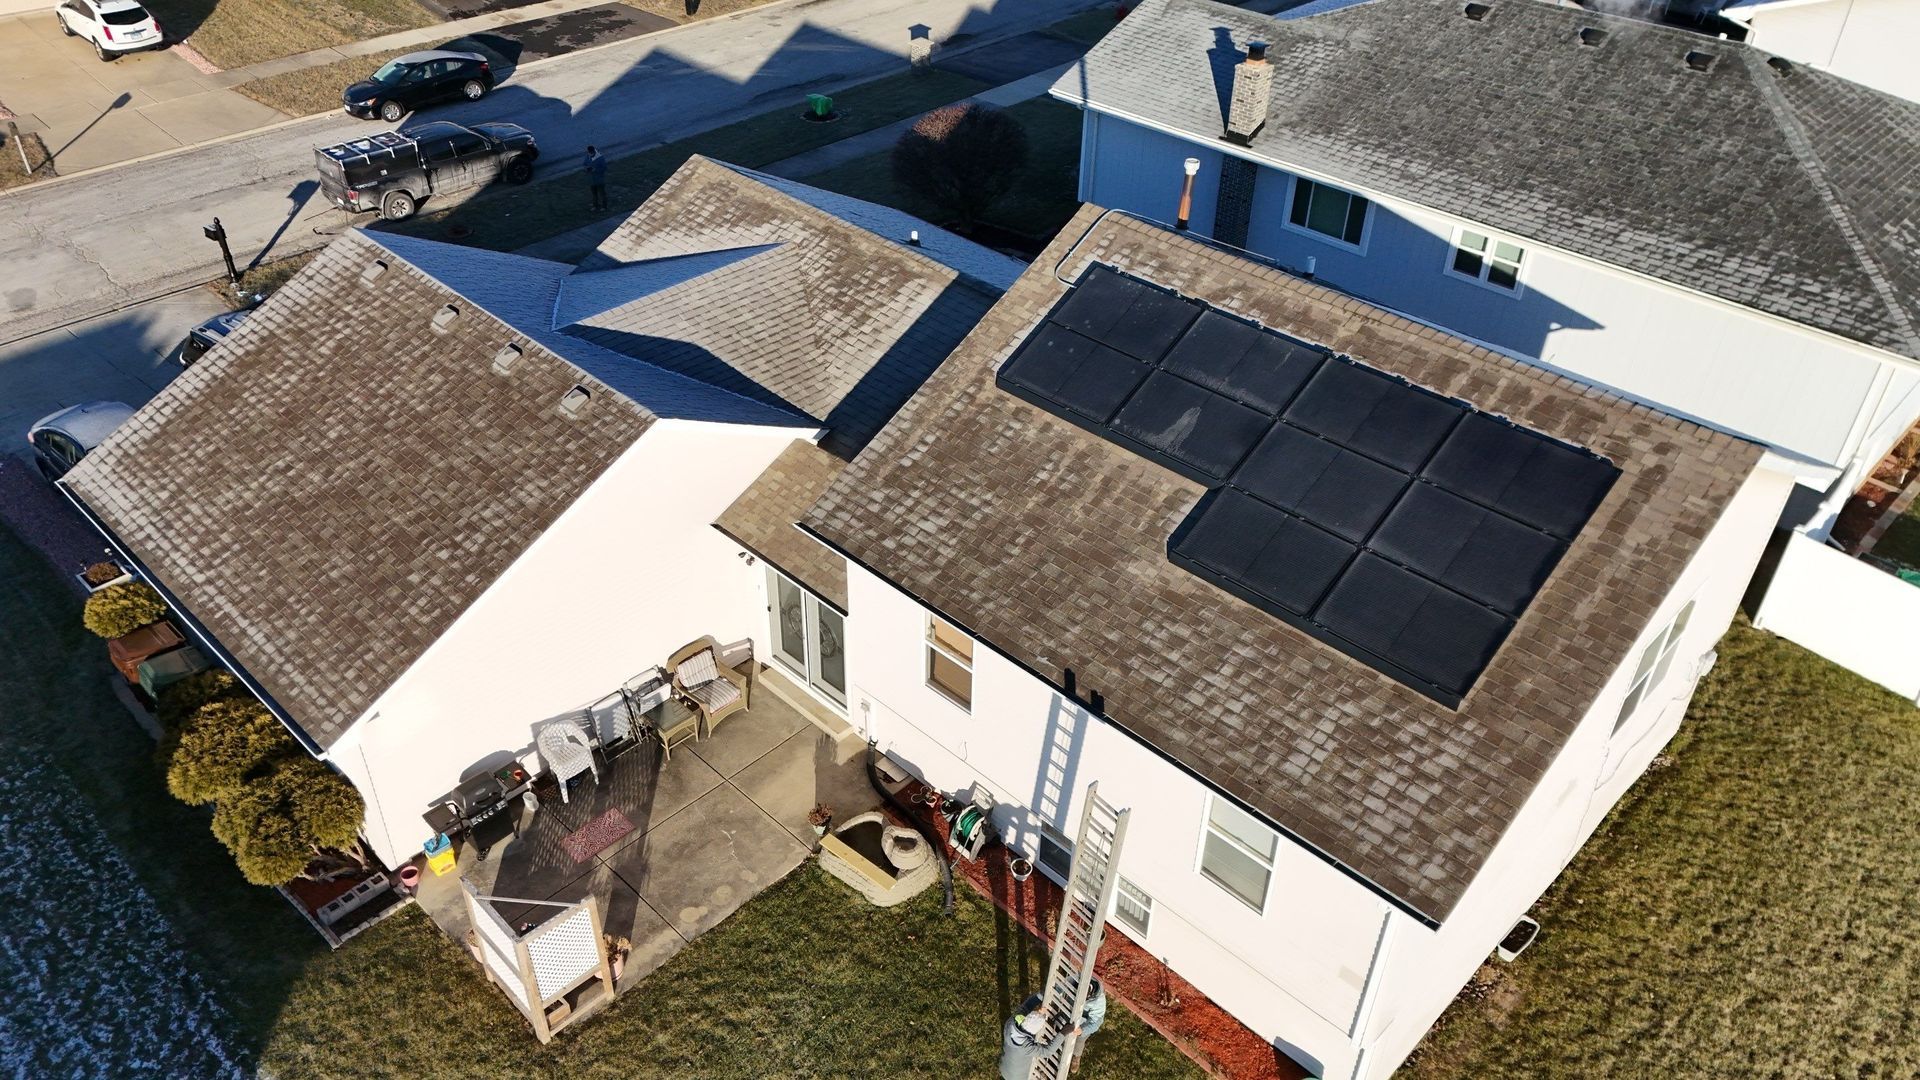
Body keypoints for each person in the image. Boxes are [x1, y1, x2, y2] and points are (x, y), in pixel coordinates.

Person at [1000, 1004, 1079, 1080]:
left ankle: (1039, 1074)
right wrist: (1064, 1032)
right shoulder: (1025, 1048)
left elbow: (1026, 1006)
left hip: (1006, 1070)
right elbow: (1047, 1052)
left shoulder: (1011, 1023)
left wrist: (1039, 1004)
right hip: (1016, 1076)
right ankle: (1038, 1075)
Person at [1070, 977, 1107, 1073]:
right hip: (1069, 1011)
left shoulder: (1099, 1000)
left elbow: (1096, 1022)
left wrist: (1083, 1030)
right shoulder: (1072, 980)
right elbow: (1058, 990)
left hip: (1084, 1021)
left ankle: (1076, 1056)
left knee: (1080, 1039)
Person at [584, 145, 609, 212]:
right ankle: (595, 205)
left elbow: (604, 168)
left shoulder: (600, 158)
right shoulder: (588, 156)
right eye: (589, 153)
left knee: (602, 194)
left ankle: (604, 206)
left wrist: (596, 170)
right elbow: (584, 164)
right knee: (594, 194)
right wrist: (587, 169)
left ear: (594, 151)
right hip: (592, 180)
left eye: (591, 153)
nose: (590, 154)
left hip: (599, 179)